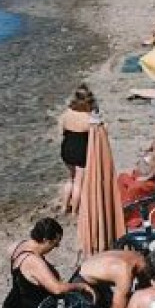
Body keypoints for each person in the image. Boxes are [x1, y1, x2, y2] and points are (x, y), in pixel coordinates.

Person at [2, 218, 96, 308]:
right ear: (46, 240)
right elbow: (57, 289)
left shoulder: (18, 246)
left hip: (13, 306)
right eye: (55, 244)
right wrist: (82, 286)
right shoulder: (34, 261)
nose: (56, 247)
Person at [118, 114, 155, 218]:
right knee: (122, 179)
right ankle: (123, 213)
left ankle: (134, 218)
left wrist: (147, 177)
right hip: (140, 174)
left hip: (153, 179)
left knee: (135, 188)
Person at [58, 85, 96, 213]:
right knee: (79, 181)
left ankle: (64, 207)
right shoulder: (89, 118)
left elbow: (62, 131)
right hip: (81, 151)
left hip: (66, 149)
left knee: (70, 178)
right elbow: (96, 136)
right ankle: (74, 210)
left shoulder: (66, 114)